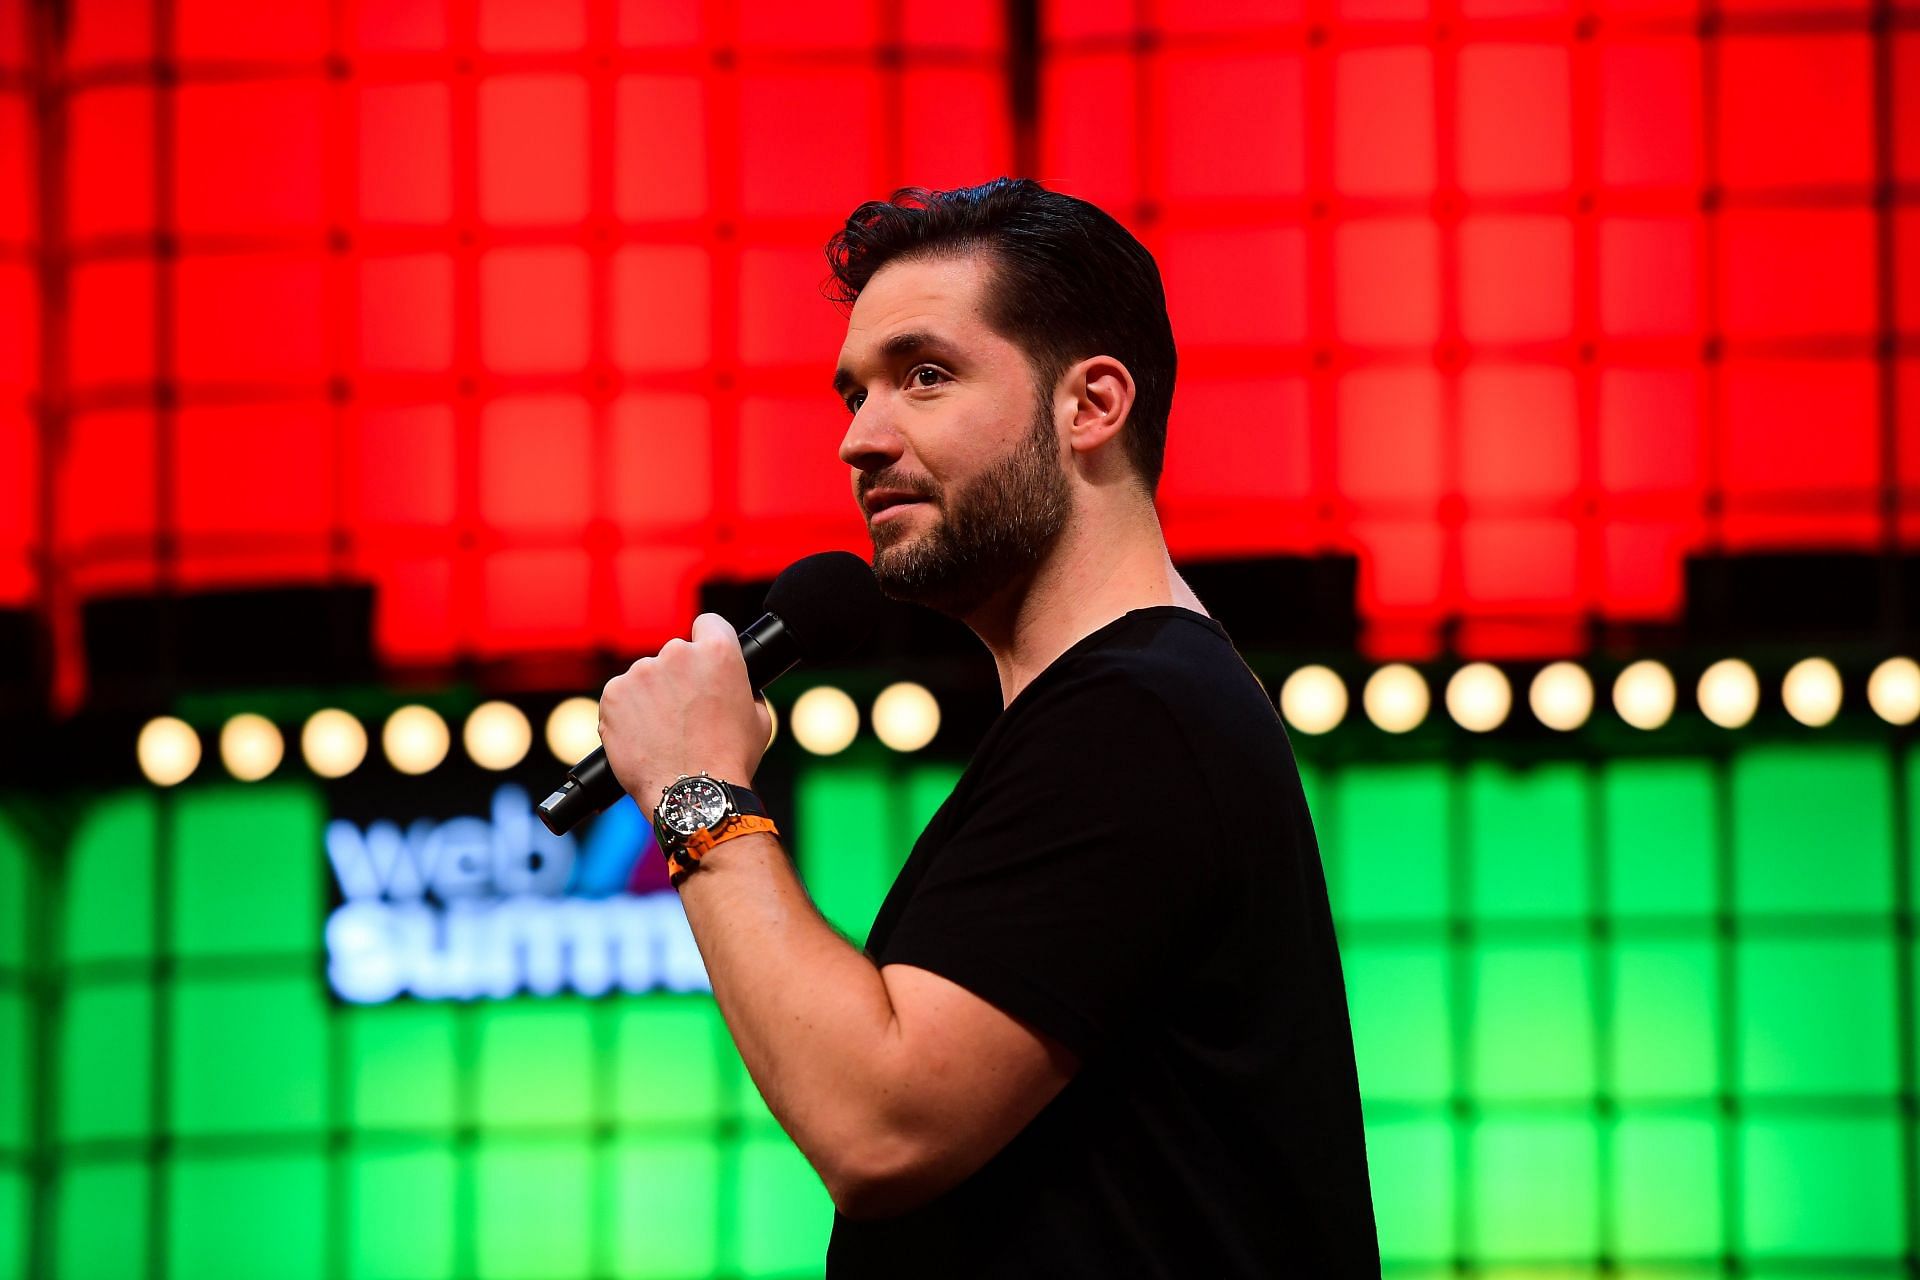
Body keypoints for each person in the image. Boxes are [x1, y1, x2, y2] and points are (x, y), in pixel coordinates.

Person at [597, 178, 1378, 1275]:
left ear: (1092, 404)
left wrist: (695, 785)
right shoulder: (1124, 711)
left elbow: (882, 1121)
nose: (860, 440)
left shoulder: (1135, 716)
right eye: (852, 394)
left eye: (924, 375)